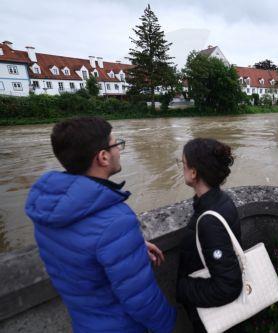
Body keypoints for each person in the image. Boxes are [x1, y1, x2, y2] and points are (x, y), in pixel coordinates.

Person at [25, 116, 176, 333]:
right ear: (103, 157)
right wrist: (168, 324)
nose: (119, 150)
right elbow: (142, 300)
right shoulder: (115, 221)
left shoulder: (47, 210)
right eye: (116, 144)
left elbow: (82, 249)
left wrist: (132, 246)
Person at [176, 138, 243, 333]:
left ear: (194, 172)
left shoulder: (209, 221)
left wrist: (183, 288)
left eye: (183, 164)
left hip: (216, 322)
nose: (182, 169)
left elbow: (228, 287)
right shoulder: (222, 200)